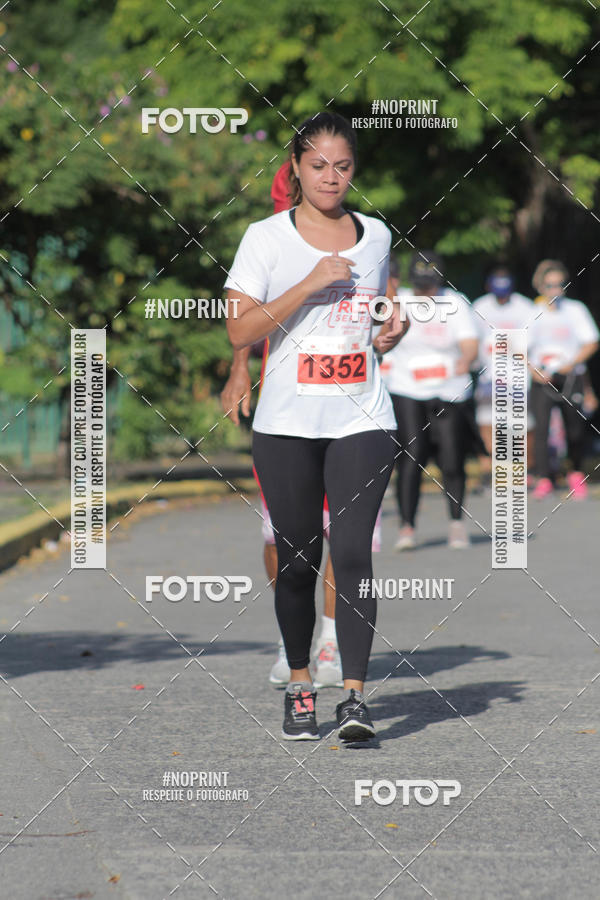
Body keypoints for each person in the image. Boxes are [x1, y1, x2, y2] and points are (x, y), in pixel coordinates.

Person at [224, 111, 407, 741]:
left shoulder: (377, 236)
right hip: (287, 422)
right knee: (299, 560)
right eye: (319, 165)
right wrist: (308, 282)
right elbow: (241, 330)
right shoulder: (265, 238)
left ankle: (353, 696)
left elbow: (373, 314)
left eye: (343, 166)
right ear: (296, 169)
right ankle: (300, 682)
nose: (332, 177)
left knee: (353, 552)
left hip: (363, 414)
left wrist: (389, 329)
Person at [380, 251, 480, 550]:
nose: (427, 291)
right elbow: (383, 335)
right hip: (408, 386)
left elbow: (469, 343)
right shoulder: (400, 300)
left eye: (432, 284)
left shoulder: (455, 302)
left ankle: (456, 522)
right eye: (421, 284)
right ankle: (407, 527)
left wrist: (466, 359)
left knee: (451, 458)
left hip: (449, 388)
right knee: (412, 456)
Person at [528, 260, 599, 499]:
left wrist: (570, 364)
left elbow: (591, 342)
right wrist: (533, 371)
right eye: (550, 285)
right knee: (541, 431)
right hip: (542, 380)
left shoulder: (576, 310)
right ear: (541, 287)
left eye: (559, 285)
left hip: (571, 378)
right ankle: (544, 477)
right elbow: (518, 348)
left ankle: (576, 473)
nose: (555, 290)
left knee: (575, 430)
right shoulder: (532, 313)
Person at [472, 266, 535, 488]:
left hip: (517, 376)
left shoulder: (525, 307)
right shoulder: (480, 306)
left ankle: (519, 469)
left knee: (520, 424)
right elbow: (473, 339)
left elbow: (531, 340)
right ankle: (489, 470)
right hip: (488, 376)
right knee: (487, 422)